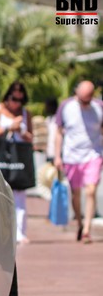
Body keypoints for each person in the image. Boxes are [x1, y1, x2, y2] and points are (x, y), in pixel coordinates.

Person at [54, 81, 103, 244]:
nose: (85, 103)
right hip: (72, 156)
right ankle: (80, 224)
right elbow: (59, 132)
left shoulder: (99, 107)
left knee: (90, 190)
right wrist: (57, 156)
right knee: (76, 193)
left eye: (88, 100)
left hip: (93, 154)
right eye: (83, 100)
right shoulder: (66, 106)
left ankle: (87, 230)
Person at [0, 81, 34, 244]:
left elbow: (31, 138)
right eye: (14, 99)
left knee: (20, 194)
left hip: (19, 158)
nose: (17, 103)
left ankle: (20, 232)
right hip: (1, 156)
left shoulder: (26, 113)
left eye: (21, 100)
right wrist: (9, 128)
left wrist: (21, 130)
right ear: (7, 97)